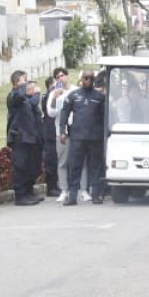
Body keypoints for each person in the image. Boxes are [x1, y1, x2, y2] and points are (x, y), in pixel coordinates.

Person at [59, 70, 108, 205]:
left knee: (95, 167)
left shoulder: (99, 97)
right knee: (75, 166)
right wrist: (62, 131)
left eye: (90, 78)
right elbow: (64, 113)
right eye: (85, 78)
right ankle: (72, 195)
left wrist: (105, 134)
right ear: (81, 79)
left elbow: (105, 117)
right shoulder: (73, 95)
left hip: (95, 137)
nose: (88, 81)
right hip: (77, 137)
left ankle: (96, 194)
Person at [4, 70, 44, 206]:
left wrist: (36, 93)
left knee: (29, 167)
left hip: (29, 137)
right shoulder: (13, 96)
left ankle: (28, 192)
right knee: (20, 166)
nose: (26, 83)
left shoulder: (25, 99)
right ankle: (20, 195)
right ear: (16, 83)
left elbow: (33, 103)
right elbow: (19, 96)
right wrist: (25, 88)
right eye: (23, 80)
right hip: (19, 137)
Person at [41, 68, 70, 200]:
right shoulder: (51, 95)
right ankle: (55, 187)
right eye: (57, 77)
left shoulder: (73, 91)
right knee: (56, 161)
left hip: (72, 130)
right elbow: (51, 112)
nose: (60, 79)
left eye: (62, 76)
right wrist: (55, 96)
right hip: (54, 132)